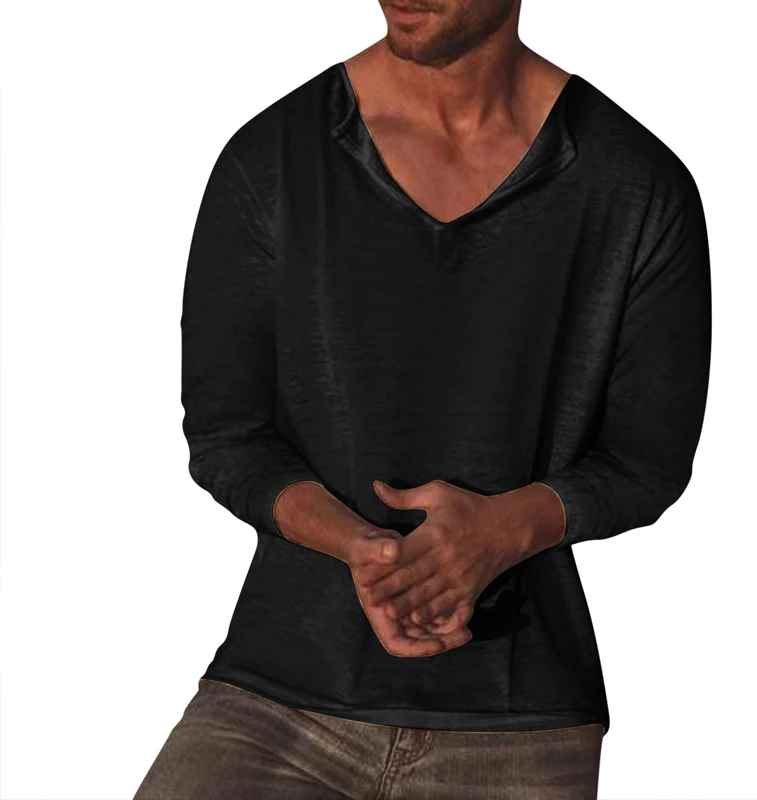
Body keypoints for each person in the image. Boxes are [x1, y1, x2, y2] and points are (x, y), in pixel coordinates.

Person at [133, 0, 712, 797]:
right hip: (278, 693)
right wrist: (363, 550)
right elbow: (227, 435)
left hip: (521, 716)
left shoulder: (637, 183)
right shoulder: (271, 159)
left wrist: (500, 533)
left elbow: (647, 460)